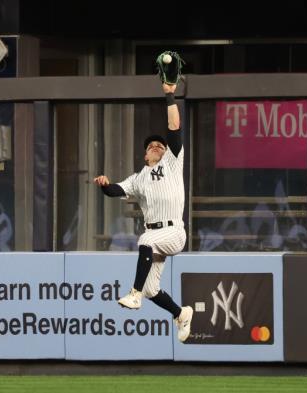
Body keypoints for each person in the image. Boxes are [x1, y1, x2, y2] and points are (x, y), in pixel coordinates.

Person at [93, 81, 193, 342]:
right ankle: (181, 313)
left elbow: (174, 127)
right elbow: (116, 190)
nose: (157, 146)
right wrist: (105, 185)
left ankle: (133, 294)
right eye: (152, 146)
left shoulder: (172, 162)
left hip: (173, 232)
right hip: (156, 235)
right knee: (152, 289)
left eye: (160, 145)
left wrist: (170, 95)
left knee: (145, 240)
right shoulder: (139, 178)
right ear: (145, 155)